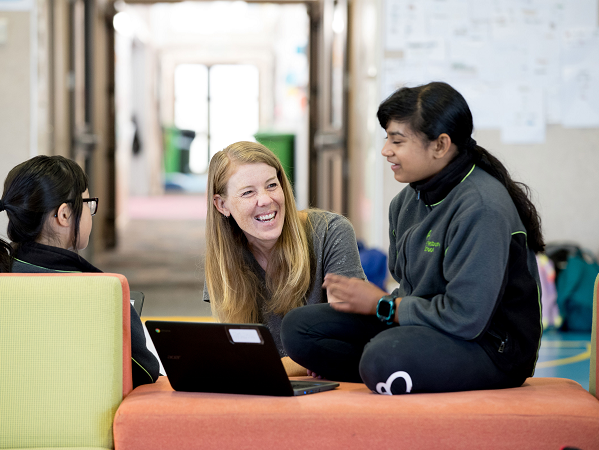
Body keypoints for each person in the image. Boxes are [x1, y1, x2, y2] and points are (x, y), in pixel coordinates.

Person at [281, 82, 543, 394]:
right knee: (299, 329)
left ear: (440, 145)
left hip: (490, 346)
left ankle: (384, 365)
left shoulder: (482, 207)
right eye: (386, 138)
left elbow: (466, 319)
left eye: (397, 140)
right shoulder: (406, 203)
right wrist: (379, 306)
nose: (385, 150)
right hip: (425, 325)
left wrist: (381, 305)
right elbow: (412, 291)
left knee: (385, 355)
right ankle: (386, 366)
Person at [0, 155, 160, 388]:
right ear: (64, 215)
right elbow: (145, 371)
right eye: (87, 204)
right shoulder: (100, 291)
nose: (89, 212)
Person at [204, 141, 366, 375]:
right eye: (248, 192)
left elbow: (342, 342)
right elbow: (241, 349)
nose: (266, 200)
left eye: (271, 185)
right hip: (268, 389)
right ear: (221, 205)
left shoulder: (331, 232)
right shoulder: (224, 260)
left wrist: (261, 367)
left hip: (330, 389)